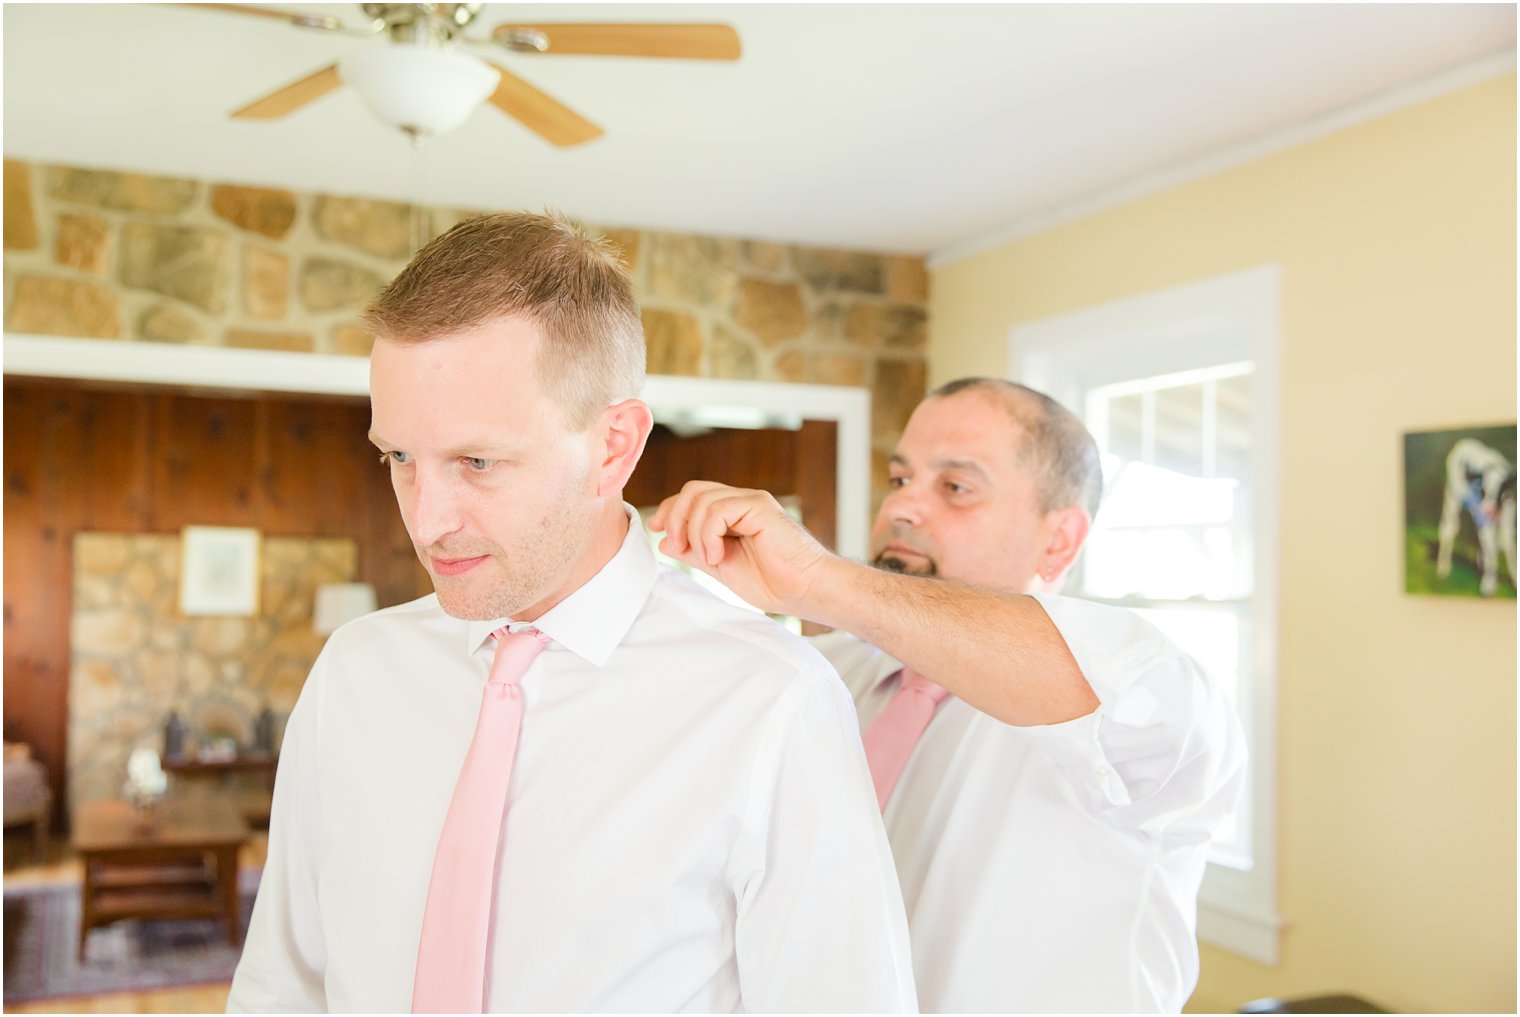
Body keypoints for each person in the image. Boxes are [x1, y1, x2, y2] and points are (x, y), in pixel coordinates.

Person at [227, 212, 916, 1013]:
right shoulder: (355, 669)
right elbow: (283, 981)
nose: (425, 519)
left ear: (613, 447)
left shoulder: (769, 700)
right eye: (400, 459)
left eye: (476, 461)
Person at [653, 377, 1247, 1013]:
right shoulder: (817, 676)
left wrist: (819, 582)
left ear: (1060, 540)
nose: (903, 508)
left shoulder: (1159, 705)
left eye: (956, 488)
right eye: (901, 478)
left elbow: (1117, 684)